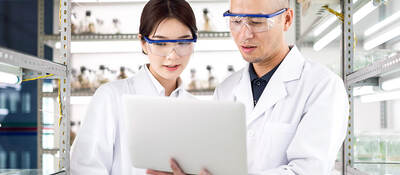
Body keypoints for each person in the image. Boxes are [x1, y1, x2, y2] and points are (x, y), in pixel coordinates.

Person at [150, 0, 349, 174]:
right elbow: (215, 162)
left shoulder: (323, 86)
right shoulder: (226, 90)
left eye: (257, 22)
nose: (244, 34)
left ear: (287, 20)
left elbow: (308, 171)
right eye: (236, 21)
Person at [70, 0, 209, 174]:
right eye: (160, 43)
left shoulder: (198, 110)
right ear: (143, 42)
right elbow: (84, 170)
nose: (173, 56)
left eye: (183, 43)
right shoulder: (111, 97)